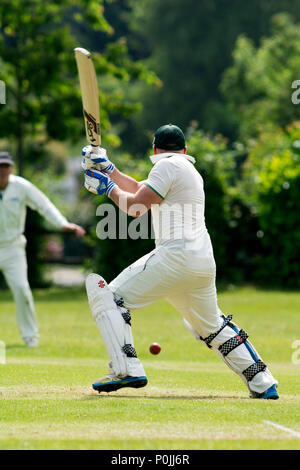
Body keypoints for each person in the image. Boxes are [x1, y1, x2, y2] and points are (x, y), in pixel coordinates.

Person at [82, 124, 279, 399]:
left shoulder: (165, 166)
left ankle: (126, 368)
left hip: (175, 256)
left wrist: (109, 189)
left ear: (154, 150)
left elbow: (136, 207)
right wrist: (110, 170)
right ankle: (262, 381)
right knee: (211, 326)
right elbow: (142, 189)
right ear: (185, 150)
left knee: (108, 296)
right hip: (201, 262)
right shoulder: (188, 170)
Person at [0, 151, 85, 347]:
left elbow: (44, 205)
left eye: (5, 167)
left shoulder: (20, 187)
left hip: (13, 248)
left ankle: (30, 337)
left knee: (22, 290)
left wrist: (63, 224)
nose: (2, 171)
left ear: (11, 169)